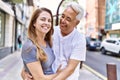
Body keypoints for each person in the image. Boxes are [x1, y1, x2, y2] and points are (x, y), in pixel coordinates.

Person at [21, 2, 86, 80]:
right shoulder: (51, 32)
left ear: (76, 23)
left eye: (68, 19)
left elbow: (70, 69)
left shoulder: (80, 39)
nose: (63, 20)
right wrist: (24, 71)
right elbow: (33, 54)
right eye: (63, 16)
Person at [21, 8, 59, 80]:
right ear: (34, 23)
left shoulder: (48, 42)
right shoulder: (30, 46)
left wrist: (24, 71)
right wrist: (60, 74)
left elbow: (29, 63)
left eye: (49, 21)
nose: (47, 23)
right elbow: (40, 78)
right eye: (43, 19)